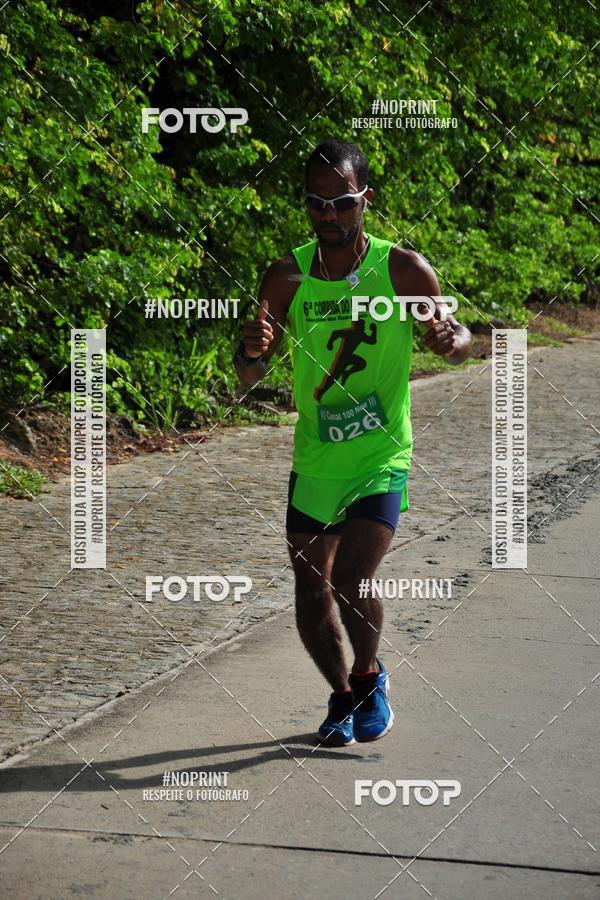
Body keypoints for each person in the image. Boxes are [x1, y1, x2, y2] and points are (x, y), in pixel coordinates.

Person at [234, 138, 471, 746]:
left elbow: (458, 335)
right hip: (317, 457)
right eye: (317, 204)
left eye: (341, 202)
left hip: (380, 453)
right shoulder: (286, 276)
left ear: (365, 198)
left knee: (354, 581)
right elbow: (249, 375)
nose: (329, 215)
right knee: (311, 589)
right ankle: (342, 696)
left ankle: (370, 678)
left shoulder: (402, 269)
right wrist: (252, 351)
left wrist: (452, 340)